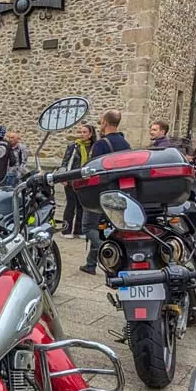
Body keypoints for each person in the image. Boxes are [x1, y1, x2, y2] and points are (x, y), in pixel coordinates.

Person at [79, 111, 131, 274]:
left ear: (105, 123)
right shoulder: (125, 144)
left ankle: (107, 250)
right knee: (103, 228)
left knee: (88, 227)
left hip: (100, 192)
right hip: (118, 191)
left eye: (101, 121)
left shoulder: (101, 145)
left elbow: (93, 170)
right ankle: (91, 263)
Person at [59, 123, 94, 238]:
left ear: (90, 134)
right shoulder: (73, 146)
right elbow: (65, 161)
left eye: (84, 132)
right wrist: (63, 176)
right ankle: (66, 230)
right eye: (81, 132)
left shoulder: (93, 147)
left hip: (85, 180)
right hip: (71, 180)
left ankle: (79, 231)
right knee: (70, 205)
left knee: (81, 206)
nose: (82, 134)